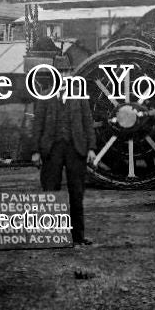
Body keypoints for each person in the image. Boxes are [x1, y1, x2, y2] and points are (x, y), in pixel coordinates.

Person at [30, 55, 97, 246]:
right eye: (59, 72)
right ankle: (52, 235)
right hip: (51, 149)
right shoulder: (44, 95)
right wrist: (35, 151)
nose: (63, 76)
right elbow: (37, 125)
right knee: (50, 191)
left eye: (66, 72)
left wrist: (91, 148)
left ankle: (78, 236)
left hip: (76, 148)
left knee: (77, 193)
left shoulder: (80, 95)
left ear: (71, 73)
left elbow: (88, 123)